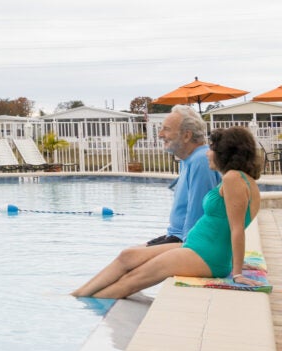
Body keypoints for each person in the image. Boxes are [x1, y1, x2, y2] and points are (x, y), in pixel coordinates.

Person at [72, 126, 262, 298]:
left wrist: (237, 272)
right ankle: (78, 294)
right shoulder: (235, 178)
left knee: (133, 279)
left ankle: (86, 301)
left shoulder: (233, 179)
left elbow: (237, 229)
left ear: (225, 152)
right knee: (127, 256)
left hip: (206, 255)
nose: (207, 154)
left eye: (212, 149)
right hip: (197, 247)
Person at [145, 105, 221, 246]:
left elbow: (198, 213)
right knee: (128, 255)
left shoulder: (201, 161)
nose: (160, 134)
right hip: (175, 235)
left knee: (127, 258)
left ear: (187, 135)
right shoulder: (188, 160)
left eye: (166, 129)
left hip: (187, 240)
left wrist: (185, 253)